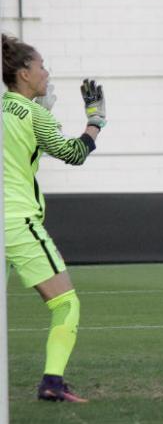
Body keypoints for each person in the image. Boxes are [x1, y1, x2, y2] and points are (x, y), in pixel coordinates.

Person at [2, 34, 107, 402]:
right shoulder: (34, 114)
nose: (46, 72)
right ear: (24, 73)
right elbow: (74, 153)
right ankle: (52, 383)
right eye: (41, 65)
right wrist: (95, 120)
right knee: (66, 304)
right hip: (16, 222)